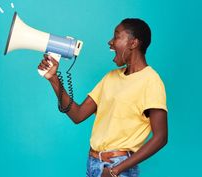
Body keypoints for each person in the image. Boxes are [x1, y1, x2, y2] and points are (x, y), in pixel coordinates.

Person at [38, 18, 168, 177]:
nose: (110, 42)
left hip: (117, 167)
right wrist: (53, 79)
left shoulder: (151, 81)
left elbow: (161, 137)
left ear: (133, 43)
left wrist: (115, 170)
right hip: (93, 164)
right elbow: (77, 115)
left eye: (116, 36)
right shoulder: (110, 77)